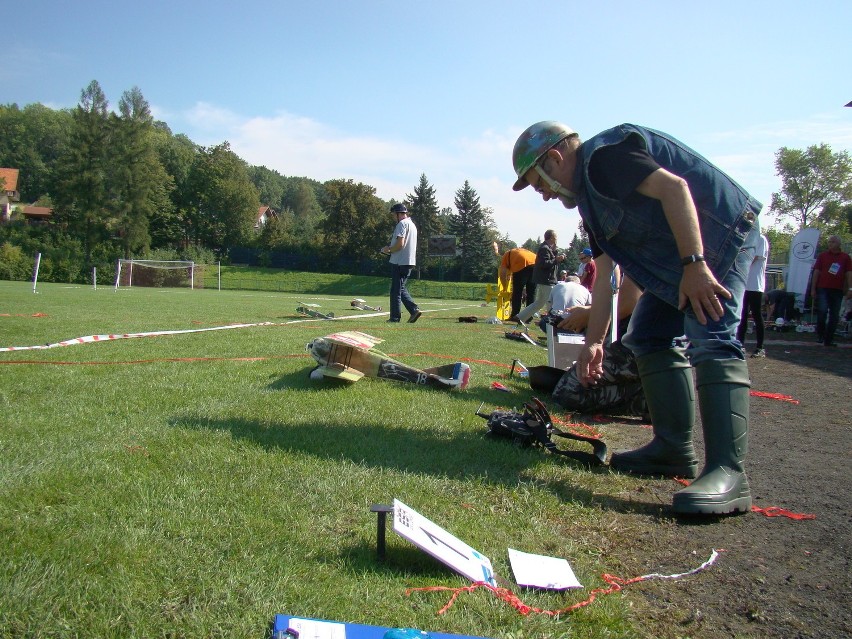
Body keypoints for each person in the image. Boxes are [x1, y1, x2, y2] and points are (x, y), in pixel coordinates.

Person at [512, 121, 762, 515]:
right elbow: (605, 275)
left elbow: (675, 189)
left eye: (539, 184)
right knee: (646, 336)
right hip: (679, 260)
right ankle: (673, 450)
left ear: (555, 159)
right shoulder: (590, 206)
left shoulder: (604, 159)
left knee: (711, 335)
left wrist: (695, 265)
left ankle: (729, 474)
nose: (544, 196)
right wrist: (594, 342)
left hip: (719, 240)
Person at [551, 276, 648, 418]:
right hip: (643, 344)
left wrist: (589, 314)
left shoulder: (639, 254)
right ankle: (651, 390)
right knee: (569, 387)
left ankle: (651, 400)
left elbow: (628, 302)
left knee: (568, 393)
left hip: (641, 346)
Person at [380, 203, 422, 323]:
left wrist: (388, 249)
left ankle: (395, 317)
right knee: (400, 288)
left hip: (399, 262)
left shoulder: (401, 224)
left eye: (394, 214)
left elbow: (400, 244)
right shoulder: (412, 225)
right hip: (409, 261)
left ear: (398, 214)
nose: (393, 217)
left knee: (395, 291)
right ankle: (414, 310)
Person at [515, 229, 565, 324]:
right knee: (550, 302)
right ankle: (552, 322)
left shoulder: (547, 248)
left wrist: (554, 252)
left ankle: (520, 317)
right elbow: (544, 264)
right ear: (552, 237)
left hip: (545, 280)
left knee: (539, 303)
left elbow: (548, 261)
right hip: (547, 280)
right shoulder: (544, 248)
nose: (556, 239)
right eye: (556, 237)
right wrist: (557, 260)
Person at [810, 235, 852, 347]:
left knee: (834, 315)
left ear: (839, 244)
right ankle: (820, 335)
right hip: (823, 288)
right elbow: (816, 272)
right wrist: (813, 289)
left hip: (838, 290)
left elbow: (849, 274)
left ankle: (829, 339)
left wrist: (850, 289)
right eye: (829, 242)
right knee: (822, 311)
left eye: (833, 242)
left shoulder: (845, 257)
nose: (830, 244)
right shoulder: (822, 256)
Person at [736, 233, 769, 357]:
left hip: (755, 284)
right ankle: (740, 344)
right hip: (743, 282)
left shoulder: (761, 238)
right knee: (742, 314)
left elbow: (754, 257)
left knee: (756, 314)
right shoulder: (746, 238)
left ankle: (760, 347)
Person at [498, 246, 537, 321]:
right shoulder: (519, 251)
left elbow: (502, 274)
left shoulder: (506, 255)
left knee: (517, 293)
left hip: (522, 263)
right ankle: (528, 317)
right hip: (536, 264)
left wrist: (504, 287)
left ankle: (515, 315)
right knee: (531, 294)